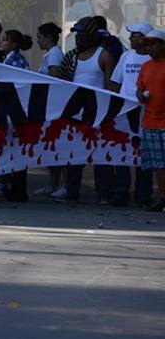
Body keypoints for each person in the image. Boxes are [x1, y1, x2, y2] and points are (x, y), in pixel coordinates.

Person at [53, 17, 116, 204]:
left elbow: (110, 86)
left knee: (101, 156)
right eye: (77, 33)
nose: (78, 37)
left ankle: (103, 194)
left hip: (98, 112)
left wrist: (108, 110)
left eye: (82, 33)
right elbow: (62, 84)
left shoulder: (103, 55)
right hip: (75, 113)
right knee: (73, 154)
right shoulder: (71, 56)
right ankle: (71, 191)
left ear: (92, 36)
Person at [110, 21, 154, 207]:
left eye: (134, 35)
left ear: (145, 38)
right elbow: (114, 82)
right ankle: (121, 192)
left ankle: (143, 194)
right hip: (124, 111)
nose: (130, 38)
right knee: (122, 151)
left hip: (145, 111)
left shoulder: (153, 60)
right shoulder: (126, 56)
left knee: (145, 152)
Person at [0, 30, 34, 201]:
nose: (1, 42)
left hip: (15, 111)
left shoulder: (14, 61)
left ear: (13, 44)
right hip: (14, 110)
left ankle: (16, 189)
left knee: (15, 150)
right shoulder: (10, 59)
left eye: (5, 40)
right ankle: (15, 188)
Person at [33, 22, 65, 196]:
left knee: (57, 146)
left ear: (48, 37)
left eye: (40, 38)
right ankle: (52, 184)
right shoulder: (49, 55)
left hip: (53, 107)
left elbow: (55, 80)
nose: (38, 41)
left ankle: (58, 184)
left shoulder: (54, 56)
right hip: (48, 107)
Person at [136, 29, 165, 212]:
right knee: (158, 165)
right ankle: (162, 197)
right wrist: (140, 95)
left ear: (163, 45)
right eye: (148, 44)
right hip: (150, 122)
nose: (150, 47)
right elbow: (139, 90)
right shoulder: (146, 66)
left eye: (153, 43)